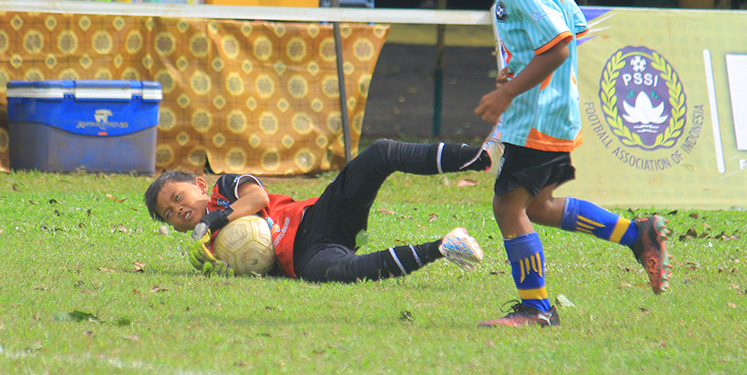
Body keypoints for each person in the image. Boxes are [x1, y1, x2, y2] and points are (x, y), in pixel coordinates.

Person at [472, 0, 670, 328]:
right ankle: (637, 236)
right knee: (537, 206)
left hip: (536, 117)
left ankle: (536, 309)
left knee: (508, 208)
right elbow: (573, 30)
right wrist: (518, 66)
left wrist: (506, 92)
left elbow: (561, 44)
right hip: (554, 113)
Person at [144, 138, 492, 283]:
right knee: (341, 273)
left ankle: (480, 157)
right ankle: (445, 247)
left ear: (199, 185)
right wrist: (213, 265)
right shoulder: (203, 243)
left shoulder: (224, 188)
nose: (178, 209)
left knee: (381, 153)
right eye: (170, 213)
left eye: (178, 197)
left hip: (317, 217)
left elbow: (259, 200)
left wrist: (214, 218)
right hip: (304, 257)